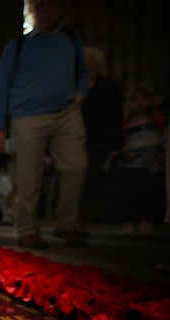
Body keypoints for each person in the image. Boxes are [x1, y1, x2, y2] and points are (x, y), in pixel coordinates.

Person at [0, 0, 90, 249]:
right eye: (39, 5)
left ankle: (67, 224)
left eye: (50, 4)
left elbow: (84, 70)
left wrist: (81, 91)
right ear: (31, 10)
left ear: (59, 7)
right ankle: (27, 228)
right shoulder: (18, 46)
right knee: (28, 176)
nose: (45, 9)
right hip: (28, 118)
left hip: (66, 113)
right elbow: (0, 86)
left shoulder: (70, 37)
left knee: (76, 168)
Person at [112, 86, 166, 236]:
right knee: (130, 194)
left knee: (149, 194)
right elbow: (118, 141)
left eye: (144, 99)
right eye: (135, 100)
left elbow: (161, 139)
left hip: (150, 164)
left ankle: (146, 221)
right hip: (131, 164)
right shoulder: (126, 123)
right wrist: (122, 153)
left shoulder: (157, 120)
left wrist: (161, 154)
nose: (140, 103)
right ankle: (129, 221)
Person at [80, 46, 124, 226]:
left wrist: (115, 145)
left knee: (93, 178)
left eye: (92, 63)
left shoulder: (110, 87)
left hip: (99, 140)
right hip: (77, 137)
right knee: (74, 177)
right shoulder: (72, 87)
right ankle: (71, 218)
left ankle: (87, 217)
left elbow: (114, 115)